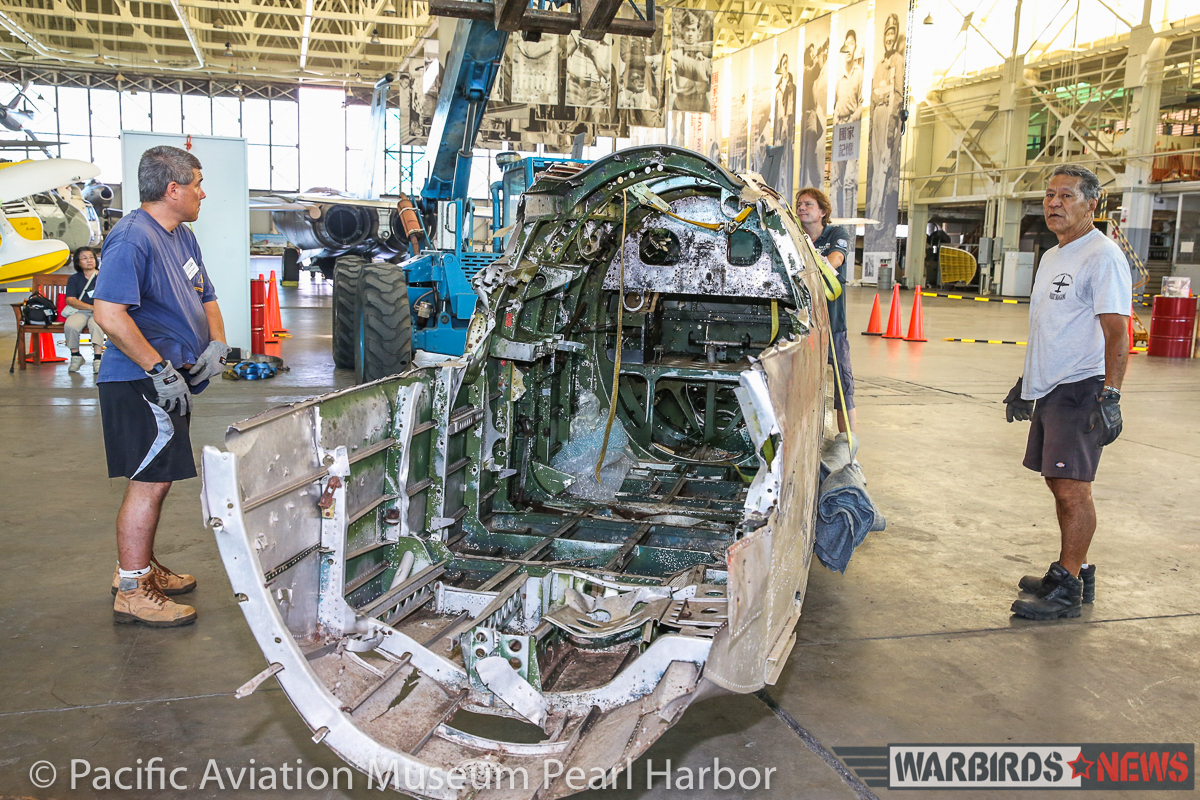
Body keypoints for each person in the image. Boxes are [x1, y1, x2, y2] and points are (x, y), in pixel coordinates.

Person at [93, 146, 231, 628]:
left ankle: (142, 569)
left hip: (167, 382)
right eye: (196, 182)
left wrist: (217, 343)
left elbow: (206, 295)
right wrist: (159, 369)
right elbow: (109, 315)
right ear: (172, 189)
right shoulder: (132, 239)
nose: (202, 191)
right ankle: (131, 587)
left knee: (159, 478)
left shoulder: (181, 235)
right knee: (149, 484)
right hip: (139, 382)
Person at [1005, 164, 1131, 621]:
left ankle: (1069, 587)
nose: (1054, 203)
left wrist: (1111, 396)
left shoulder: (1102, 255)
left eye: (1067, 196)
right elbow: (1050, 327)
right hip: (1053, 388)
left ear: (1091, 204)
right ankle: (1071, 572)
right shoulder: (1054, 254)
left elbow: (1119, 333)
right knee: (1058, 483)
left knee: (1072, 490)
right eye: (1049, 195)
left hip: (1081, 388)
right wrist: (1027, 382)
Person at [796, 187, 856, 434]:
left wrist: (815, 271)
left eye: (808, 204)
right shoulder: (795, 237)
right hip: (802, 326)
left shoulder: (836, 234)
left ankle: (848, 447)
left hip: (833, 325)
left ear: (822, 211)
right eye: (799, 204)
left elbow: (836, 260)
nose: (801, 208)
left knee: (843, 389)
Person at [830, 29, 863, 217]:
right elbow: (836, 102)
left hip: (852, 129)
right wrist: (836, 120)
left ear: (855, 46)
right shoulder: (838, 77)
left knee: (850, 178)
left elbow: (861, 103)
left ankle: (848, 218)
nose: (848, 48)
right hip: (839, 129)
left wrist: (852, 120)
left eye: (852, 43)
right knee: (836, 178)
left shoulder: (859, 74)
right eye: (846, 44)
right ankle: (836, 216)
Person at [63, 246, 105, 374]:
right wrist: (90, 307)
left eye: (91, 257)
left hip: (100, 311)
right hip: (80, 311)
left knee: (97, 324)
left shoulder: (104, 276)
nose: (89, 260)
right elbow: (70, 299)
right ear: (78, 262)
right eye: (84, 258)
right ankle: (76, 356)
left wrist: (97, 309)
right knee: (71, 325)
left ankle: (97, 359)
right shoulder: (74, 279)